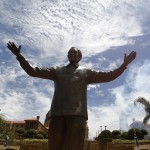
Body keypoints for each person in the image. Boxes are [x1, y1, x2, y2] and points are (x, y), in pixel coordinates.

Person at [7, 41, 136, 150]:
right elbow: (33, 71)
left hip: (77, 116)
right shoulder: (57, 70)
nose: (71, 54)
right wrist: (19, 56)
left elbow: (108, 76)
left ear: (79, 56)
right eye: (70, 52)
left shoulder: (86, 72)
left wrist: (123, 65)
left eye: (74, 52)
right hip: (57, 115)